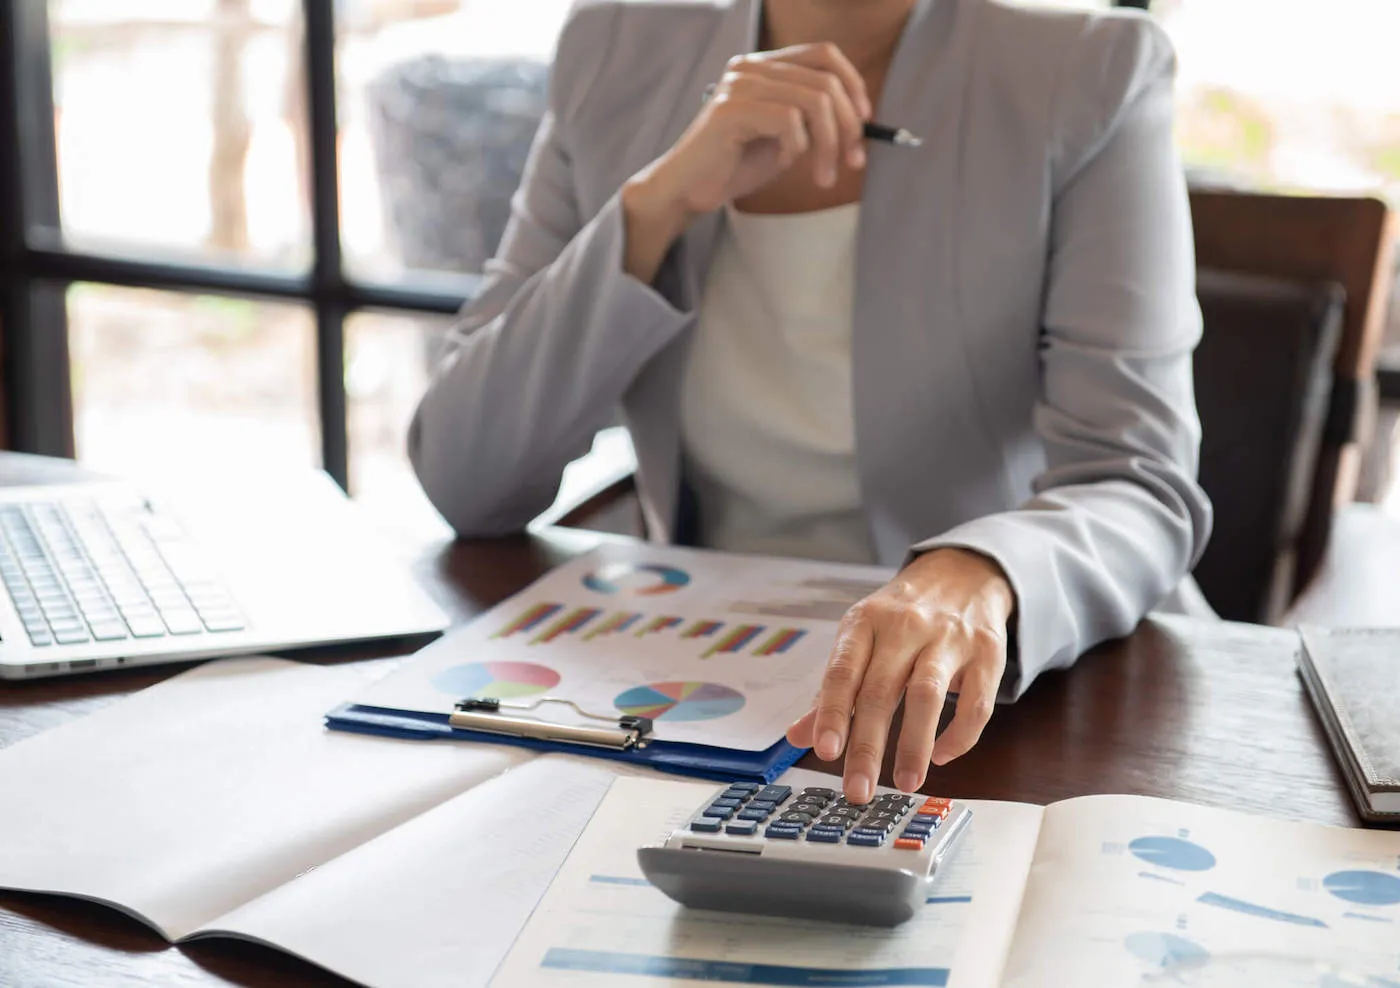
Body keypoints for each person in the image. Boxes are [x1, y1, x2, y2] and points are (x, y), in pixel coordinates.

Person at [408, 0, 1213, 803]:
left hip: (997, 716)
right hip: (697, 691)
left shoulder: (1091, 73)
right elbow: (466, 476)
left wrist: (983, 569)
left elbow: (1139, 481)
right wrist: (655, 205)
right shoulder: (612, 45)